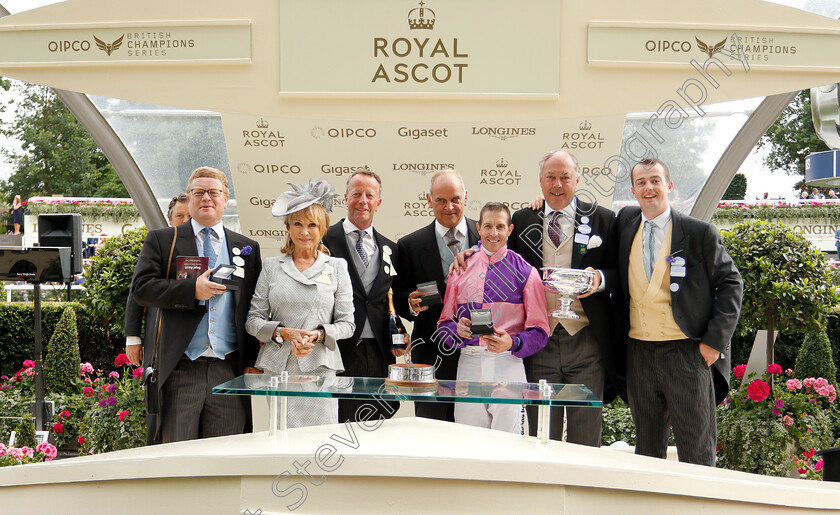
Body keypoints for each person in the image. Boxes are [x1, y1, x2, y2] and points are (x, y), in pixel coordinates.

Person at [617, 158, 742, 466]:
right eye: (642, 182)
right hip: (639, 352)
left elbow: (731, 283)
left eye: (655, 180)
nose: (649, 188)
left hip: (687, 351)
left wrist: (714, 341)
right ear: (633, 190)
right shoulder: (624, 222)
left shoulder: (698, 232)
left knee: (696, 447)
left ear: (669, 187)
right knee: (646, 448)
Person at [132, 167, 262, 443]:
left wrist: (252, 362)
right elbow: (141, 289)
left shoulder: (246, 247)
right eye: (198, 192)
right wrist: (191, 289)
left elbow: (252, 306)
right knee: (177, 458)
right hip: (182, 368)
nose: (206, 198)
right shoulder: (164, 240)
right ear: (189, 199)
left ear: (225, 199)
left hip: (229, 370)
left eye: (214, 192)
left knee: (225, 457)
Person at [246, 179, 355, 428]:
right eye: (297, 224)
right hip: (279, 368)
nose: (304, 232)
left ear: (322, 229)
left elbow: (348, 324)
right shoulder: (272, 266)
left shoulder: (337, 267)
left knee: (319, 438)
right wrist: (283, 333)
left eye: (312, 225)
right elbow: (253, 321)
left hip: (319, 366)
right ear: (288, 227)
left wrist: (316, 336)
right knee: (282, 436)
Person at [437, 202, 549, 434]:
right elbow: (443, 324)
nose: (494, 233)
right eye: (488, 226)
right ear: (478, 228)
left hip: (508, 364)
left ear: (510, 230)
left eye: (500, 226)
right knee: (468, 442)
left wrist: (513, 342)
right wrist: (457, 332)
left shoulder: (527, 272)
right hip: (469, 363)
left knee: (510, 444)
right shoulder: (460, 268)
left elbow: (540, 332)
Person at [393, 170, 479, 422]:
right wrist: (408, 304)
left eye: (455, 198)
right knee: (431, 428)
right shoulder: (409, 245)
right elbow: (398, 296)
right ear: (429, 201)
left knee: (478, 429)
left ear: (465, 197)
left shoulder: (488, 236)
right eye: (440, 200)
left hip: (480, 353)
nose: (449, 207)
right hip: (431, 352)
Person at [322, 169, 405, 423]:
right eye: (356, 194)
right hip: (339, 349)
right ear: (346, 198)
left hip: (380, 353)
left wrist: (404, 320)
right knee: (339, 423)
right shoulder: (323, 239)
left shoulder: (391, 247)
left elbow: (394, 297)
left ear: (378, 203)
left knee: (379, 425)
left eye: (370, 195)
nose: (363, 200)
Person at [126, 194, 191, 368]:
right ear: (170, 220)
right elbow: (137, 290)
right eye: (179, 216)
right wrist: (133, 338)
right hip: (161, 334)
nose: (185, 221)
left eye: (190, 216)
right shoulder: (159, 243)